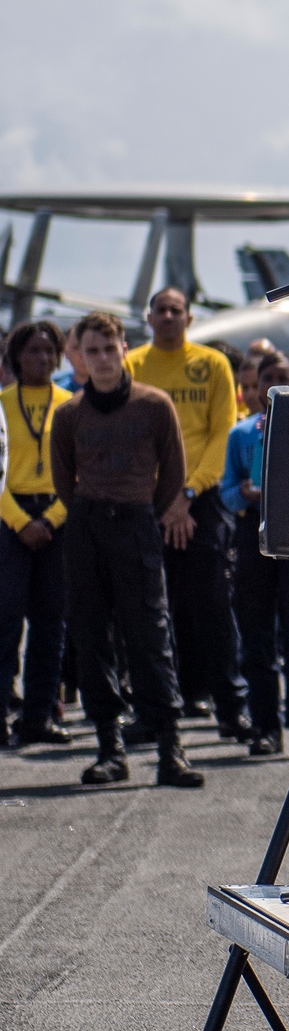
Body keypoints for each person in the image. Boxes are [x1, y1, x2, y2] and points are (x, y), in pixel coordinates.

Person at [50, 312, 203, 786]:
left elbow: (172, 474)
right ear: (78, 355)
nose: (100, 359)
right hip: (87, 526)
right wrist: (92, 514)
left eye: (107, 348)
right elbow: (63, 481)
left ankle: (170, 749)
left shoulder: (154, 405)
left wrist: (141, 509)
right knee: (92, 637)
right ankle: (108, 748)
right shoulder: (69, 414)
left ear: (122, 348)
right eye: (89, 350)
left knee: (150, 636)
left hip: (137, 524)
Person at [127, 288, 251, 739]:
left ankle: (231, 709)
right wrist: (161, 498)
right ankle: (153, 711)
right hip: (146, 503)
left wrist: (188, 492)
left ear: (189, 318)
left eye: (175, 310)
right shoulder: (133, 365)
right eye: (159, 310)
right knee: (147, 612)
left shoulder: (213, 363)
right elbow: (128, 434)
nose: (167, 316)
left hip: (201, 503)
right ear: (148, 317)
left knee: (213, 608)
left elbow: (222, 433)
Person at [221, 351, 289, 755]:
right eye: (268, 378)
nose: (276, 384)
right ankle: (265, 726)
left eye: (285, 376)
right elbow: (227, 491)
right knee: (257, 636)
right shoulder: (242, 434)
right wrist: (247, 496)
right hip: (253, 534)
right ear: (256, 386)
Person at [0, 320, 72, 747]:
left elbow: (78, 474)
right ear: (16, 356)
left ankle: (39, 717)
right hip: (10, 520)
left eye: (50, 351)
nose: (42, 359)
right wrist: (21, 522)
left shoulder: (70, 405)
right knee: (5, 623)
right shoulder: (2, 404)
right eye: (33, 351)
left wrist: (51, 519)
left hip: (56, 517)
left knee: (50, 623)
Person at [53, 320, 89, 392]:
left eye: (90, 348)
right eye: (77, 348)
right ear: (66, 352)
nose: (83, 354)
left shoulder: (116, 391)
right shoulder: (55, 392)